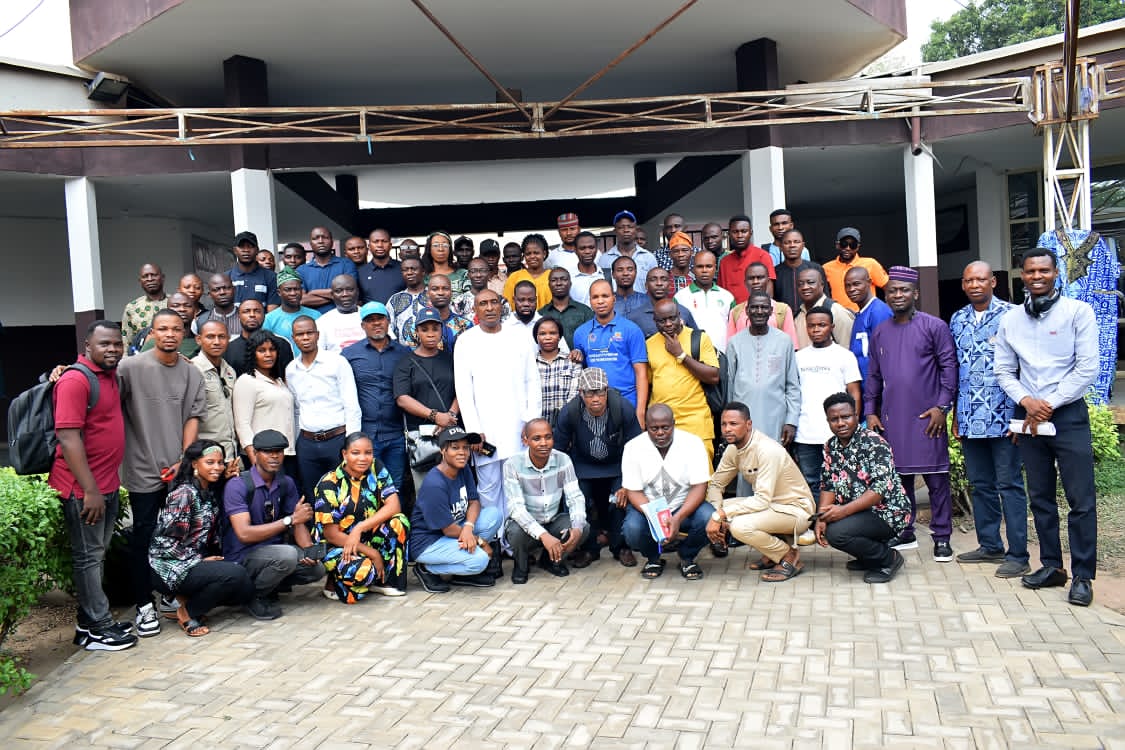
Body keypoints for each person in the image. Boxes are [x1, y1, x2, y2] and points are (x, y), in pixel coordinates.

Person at [995, 248, 1099, 606]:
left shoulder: (1078, 313)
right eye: (1030, 271)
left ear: (1056, 273)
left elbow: (1087, 368)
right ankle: (1052, 566)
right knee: (1040, 497)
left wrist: (1048, 404)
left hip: (1067, 415)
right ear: (1021, 275)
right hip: (1029, 417)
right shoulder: (1011, 320)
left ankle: (1083, 576)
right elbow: (1004, 370)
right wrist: (1027, 401)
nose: (1036, 276)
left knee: (1080, 500)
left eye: (1043, 270)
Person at [118, 309, 206, 638]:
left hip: (178, 470)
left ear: (184, 333)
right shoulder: (129, 368)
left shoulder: (191, 373)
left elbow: (193, 417)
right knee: (143, 536)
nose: (170, 334)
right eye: (163, 329)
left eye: (176, 329)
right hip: (142, 467)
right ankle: (144, 605)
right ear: (152, 333)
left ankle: (170, 594)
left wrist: (184, 460)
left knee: (176, 537)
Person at [50, 321, 136, 652]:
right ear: (88, 346)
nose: (112, 349)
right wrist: (90, 490)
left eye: (117, 343)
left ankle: (87, 624)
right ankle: (99, 627)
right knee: (88, 557)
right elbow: (68, 437)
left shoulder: (110, 375)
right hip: (83, 489)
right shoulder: (75, 380)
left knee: (96, 555)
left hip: (106, 484)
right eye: (104, 344)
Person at [864, 266, 957, 562]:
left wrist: (942, 407)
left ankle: (942, 538)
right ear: (886, 296)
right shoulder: (880, 331)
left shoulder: (935, 327)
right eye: (892, 291)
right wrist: (870, 411)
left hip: (928, 418)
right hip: (893, 418)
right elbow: (874, 376)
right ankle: (905, 531)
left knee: (937, 480)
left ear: (915, 293)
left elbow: (949, 368)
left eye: (904, 290)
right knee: (900, 478)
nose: (898, 295)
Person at [950, 261, 1029, 578]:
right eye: (969, 280)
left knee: (1009, 485)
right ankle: (990, 545)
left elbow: (1025, 367)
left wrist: (1021, 417)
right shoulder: (958, 319)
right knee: (981, 485)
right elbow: (957, 370)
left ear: (993, 282)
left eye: (981, 279)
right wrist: (956, 415)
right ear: (963, 284)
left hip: (1004, 417)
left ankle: (1018, 554)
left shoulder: (1013, 315)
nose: (975, 285)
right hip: (970, 417)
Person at [148, 440, 254, 637]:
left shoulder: (207, 488)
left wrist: (226, 480)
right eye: (210, 462)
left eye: (220, 463)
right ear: (195, 464)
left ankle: (187, 599)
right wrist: (199, 561)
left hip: (192, 561)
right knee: (235, 575)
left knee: (243, 587)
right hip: (169, 566)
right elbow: (164, 543)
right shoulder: (184, 494)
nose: (217, 467)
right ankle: (187, 612)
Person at [455, 289, 541, 522]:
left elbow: (532, 381)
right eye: (483, 303)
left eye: (494, 302)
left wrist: (532, 422)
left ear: (502, 306)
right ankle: (494, 537)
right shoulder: (465, 341)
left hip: (518, 427)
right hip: (485, 430)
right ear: (475, 309)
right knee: (489, 487)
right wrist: (473, 430)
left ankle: (516, 536)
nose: (490, 307)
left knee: (518, 485)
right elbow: (463, 390)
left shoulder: (519, 337)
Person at [222, 430, 325, 619]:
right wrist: (289, 520)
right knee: (287, 555)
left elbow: (298, 522)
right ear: (255, 453)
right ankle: (252, 596)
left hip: (274, 553)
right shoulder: (238, 485)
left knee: (316, 569)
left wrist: (310, 551)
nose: (275, 456)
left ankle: (270, 587)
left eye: (279, 451)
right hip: (242, 557)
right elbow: (244, 534)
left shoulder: (286, 483)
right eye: (268, 452)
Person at [706, 403, 815, 581]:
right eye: (724, 424)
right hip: (770, 506)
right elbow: (716, 485)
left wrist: (721, 515)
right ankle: (773, 554)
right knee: (709, 512)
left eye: (733, 424)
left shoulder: (767, 450)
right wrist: (718, 513)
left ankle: (788, 555)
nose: (727, 429)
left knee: (739, 526)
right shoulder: (733, 449)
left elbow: (761, 500)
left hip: (796, 510)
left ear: (748, 424)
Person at [814, 392, 912, 584]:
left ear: (856, 415)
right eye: (834, 419)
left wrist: (842, 512)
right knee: (826, 524)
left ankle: (888, 558)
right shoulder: (830, 446)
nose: (840, 423)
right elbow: (828, 484)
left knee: (837, 533)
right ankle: (869, 557)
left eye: (846, 417)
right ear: (828, 421)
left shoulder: (874, 443)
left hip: (888, 512)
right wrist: (821, 518)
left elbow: (878, 491)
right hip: (859, 511)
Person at [553, 368, 642, 568]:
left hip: (617, 465)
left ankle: (621, 547)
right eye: (589, 393)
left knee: (619, 501)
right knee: (579, 501)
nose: (595, 398)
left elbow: (637, 447)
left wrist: (628, 483)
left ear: (607, 390)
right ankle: (588, 549)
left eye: (600, 392)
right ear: (580, 393)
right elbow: (558, 450)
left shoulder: (622, 408)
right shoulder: (570, 412)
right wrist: (564, 481)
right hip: (582, 466)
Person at [313, 433, 411, 603]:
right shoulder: (329, 483)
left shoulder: (376, 467)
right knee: (362, 572)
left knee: (399, 521)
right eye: (355, 453)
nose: (363, 458)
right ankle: (335, 582)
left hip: (365, 537)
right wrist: (373, 553)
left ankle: (382, 580)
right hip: (338, 545)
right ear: (344, 454)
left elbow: (394, 505)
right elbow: (331, 535)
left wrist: (359, 528)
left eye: (368, 452)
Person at [621, 404, 714, 581]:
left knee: (709, 517)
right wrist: (658, 518)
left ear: (674, 424)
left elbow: (700, 487)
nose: (660, 433)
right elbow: (633, 491)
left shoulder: (693, 443)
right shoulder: (633, 447)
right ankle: (653, 558)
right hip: (649, 509)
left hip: (684, 507)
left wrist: (677, 518)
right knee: (632, 529)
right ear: (646, 426)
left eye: (665, 427)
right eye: (654, 428)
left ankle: (687, 556)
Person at [410, 428, 502, 592]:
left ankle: (460, 571)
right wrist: (480, 542)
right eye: (455, 447)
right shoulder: (434, 484)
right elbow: (448, 530)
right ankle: (426, 568)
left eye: (465, 447)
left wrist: (468, 527)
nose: (462, 453)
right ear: (443, 451)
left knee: (494, 515)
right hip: (429, 542)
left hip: (455, 528)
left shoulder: (462, 468)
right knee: (479, 560)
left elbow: (474, 502)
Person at [286, 315, 362, 503]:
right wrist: (296, 443)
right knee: (314, 496)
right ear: (293, 338)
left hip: (337, 440)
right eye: (300, 334)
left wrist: (351, 444)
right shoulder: (291, 370)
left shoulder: (337, 362)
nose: (305, 337)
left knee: (345, 496)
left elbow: (351, 405)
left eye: (309, 333)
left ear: (318, 335)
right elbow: (296, 410)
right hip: (307, 444)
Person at [503, 419, 589, 584]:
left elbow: (575, 497)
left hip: (553, 521)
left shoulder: (563, 459)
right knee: (514, 532)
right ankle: (521, 564)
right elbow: (516, 508)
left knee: (583, 527)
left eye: (548, 437)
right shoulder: (512, 465)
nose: (544, 443)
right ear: (525, 441)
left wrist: (577, 528)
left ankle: (551, 561)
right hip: (526, 526)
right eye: (537, 438)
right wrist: (543, 536)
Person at [793, 307, 862, 495]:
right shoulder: (798, 357)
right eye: (811, 326)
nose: (816, 329)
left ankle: (842, 515)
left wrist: (852, 425)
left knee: (842, 481)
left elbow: (854, 392)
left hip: (838, 432)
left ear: (832, 327)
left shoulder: (844, 356)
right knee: (812, 483)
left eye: (821, 325)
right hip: (805, 434)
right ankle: (819, 515)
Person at [342, 301, 409, 492]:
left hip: (396, 433)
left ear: (388, 321)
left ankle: (395, 514)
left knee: (394, 486)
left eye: (380, 318)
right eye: (370, 320)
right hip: (365, 434)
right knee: (367, 487)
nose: (376, 323)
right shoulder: (349, 354)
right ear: (363, 325)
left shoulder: (404, 353)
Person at [393, 309, 461, 491]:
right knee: (427, 489)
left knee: (455, 487)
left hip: (451, 432)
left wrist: (450, 415)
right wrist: (435, 416)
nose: (430, 334)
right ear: (417, 332)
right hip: (422, 437)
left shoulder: (451, 359)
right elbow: (402, 398)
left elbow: (462, 389)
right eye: (424, 329)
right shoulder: (405, 362)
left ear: (442, 330)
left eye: (435, 329)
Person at [645, 299, 720, 461]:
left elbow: (713, 376)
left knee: (700, 473)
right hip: (662, 425)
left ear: (679, 316)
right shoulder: (649, 344)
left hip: (696, 420)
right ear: (654, 320)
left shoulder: (698, 338)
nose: (668, 324)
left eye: (672, 318)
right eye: (662, 320)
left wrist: (681, 355)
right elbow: (648, 384)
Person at [726, 290, 800, 447]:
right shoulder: (734, 342)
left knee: (772, 458)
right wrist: (729, 421)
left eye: (764, 307)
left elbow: (792, 385)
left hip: (775, 418)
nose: (759, 311)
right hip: (742, 418)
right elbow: (729, 385)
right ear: (747, 310)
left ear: (771, 311)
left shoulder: (784, 341)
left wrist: (791, 421)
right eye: (754, 307)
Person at [573, 280, 649, 427]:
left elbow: (641, 373)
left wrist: (640, 413)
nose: (600, 301)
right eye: (595, 297)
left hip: (627, 403)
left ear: (614, 298)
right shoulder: (580, 333)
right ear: (590, 301)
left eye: (605, 296)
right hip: (595, 406)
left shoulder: (631, 330)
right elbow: (581, 372)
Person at [233, 331, 298, 479]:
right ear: (252, 354)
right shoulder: (247, 381)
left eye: (272, 349)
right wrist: (255, 462)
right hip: (263, 458)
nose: (268, 354)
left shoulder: (279, 381)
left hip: (286, 453)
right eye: (261, 350)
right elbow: (242, 425)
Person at [191, 320, 239, 460]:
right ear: (199, 339)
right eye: (210, 337)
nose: (217, 342)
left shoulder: (229, 371)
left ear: (228, 339)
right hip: (205, 454)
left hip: (230, 452)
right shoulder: (192, 369)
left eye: (222, 337)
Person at [674, 250, 735, 351]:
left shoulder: (727, 297)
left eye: (709, 266)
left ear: (715, 268)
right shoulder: (680, 297)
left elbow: (734, 328)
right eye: (700, 267)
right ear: (693, 269)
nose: (704, 270)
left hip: (722, 353)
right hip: (692, 354)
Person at [727, 262, 798, 348]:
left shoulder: (783, 310)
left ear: (768, 281)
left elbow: (791, 346)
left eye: (760, 278)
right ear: (745, 283)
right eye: (751, 278)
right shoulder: (735, 312)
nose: (755, 282)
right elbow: (730, 346)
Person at [845, 266, 893, 391]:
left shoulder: (878, 311)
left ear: (869, 282)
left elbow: (885, 355)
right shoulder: (861, 313)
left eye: (856, 284)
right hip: (864, 387)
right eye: (847, 286)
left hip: (877, 390)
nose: (851, 289)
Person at [223, 299, 294, 377]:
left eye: (257, 311)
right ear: (238, 316)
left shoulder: (281, 343)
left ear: (264, 315)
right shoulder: (228, 347)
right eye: (246, 311)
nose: (252, 315)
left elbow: (289, 377)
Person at [400, 274, 472, 351]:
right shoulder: (418, 326)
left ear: (451, 292)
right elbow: (411, 355)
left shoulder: (464, 324)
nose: (440, 293)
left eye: (445, 289)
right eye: (435, 289)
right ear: (427, 293)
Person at [823, 228, 889, 312]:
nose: (848, 248)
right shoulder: (826, 268)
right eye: (844, 244)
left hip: (867, 314)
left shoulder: (871, 264)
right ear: (837, 245)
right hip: (840, 316)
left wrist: (887, 309)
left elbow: (888, 287)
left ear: (857, 247)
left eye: (852, 245)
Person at [533, 316, 582, 427]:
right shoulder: (530, 364)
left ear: (559, 336)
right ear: (537, 337)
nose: (548, 337)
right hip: (537, 427)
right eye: (542, 334)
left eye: (553, 333)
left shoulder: (572, 362)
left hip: (566, 425)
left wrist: (563, 422)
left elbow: (574, 397)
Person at [625, 267, 698, 339]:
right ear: (646, 286)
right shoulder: (635, 316)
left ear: (670, 285)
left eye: (664, 279)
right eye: (653, 280)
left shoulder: (683, 311)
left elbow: (697, 338)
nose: (659, 283)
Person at [298, 226, 358, 312]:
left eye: (325, 237)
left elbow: (349, 294)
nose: (321, 241)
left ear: (332, 242)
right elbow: (302, 300)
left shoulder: (347, 264)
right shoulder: (301, 270)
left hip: (342, 316)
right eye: (316, 238)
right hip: (313, 319)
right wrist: (337, 295)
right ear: (311, 243)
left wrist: (312, 292)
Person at [794, 264, 854, 349]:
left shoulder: (837, 312)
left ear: (822, 285)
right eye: (800, 284)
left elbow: (847, 347)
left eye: (810, 282)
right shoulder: (798, 316)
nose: (805, 287)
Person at [718, 215, 774, 306]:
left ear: (751, 232)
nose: (739, 236)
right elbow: (721, 293)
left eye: (744, 231)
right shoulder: (724, 262)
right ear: (729, 234)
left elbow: (769, 290)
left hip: (756, 312)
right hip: (731, 313)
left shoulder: (762, 256)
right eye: (735, 232)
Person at [263, 266, 321, 353]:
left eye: (296, 289)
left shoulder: (316, 315)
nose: (293, 293)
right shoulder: (269, 319)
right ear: (279, 292)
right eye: (288, 290)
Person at [538, 267, 593, 349]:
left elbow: (592, 339)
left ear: (570, 283)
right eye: (554, 280)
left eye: (563, 279)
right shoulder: (541, 314)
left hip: (580, 357)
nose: (559, 283)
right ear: (549, 285)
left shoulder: (585, 311)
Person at [598, 210, 658, 282]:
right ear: (615, 231)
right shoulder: (604, 259)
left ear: (635, 230)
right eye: (621, 227)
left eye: (630, 227)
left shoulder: (649, 258)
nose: (626, 230)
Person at [137, 292, 201, 357]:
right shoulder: (154, 342)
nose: (182, 309)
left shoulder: (201, 341)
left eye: (187, 306)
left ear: (195, 311)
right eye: (176, 306)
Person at [229, 231, 280, 309]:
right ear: (235, 250)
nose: (246, 250)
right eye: (241, 246)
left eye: (250, 246)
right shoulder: (227, 277)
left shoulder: (271, 277)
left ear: (257, 250)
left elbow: (272, 312)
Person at [315, 274, 364, 352]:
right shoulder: (322, 322)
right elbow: (319, 354)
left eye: (350, 290)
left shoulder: (371, 317)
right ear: (332, 295)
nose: (345, 294)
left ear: (357, 292)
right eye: (338, 291)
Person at [503, 233, 553, 308]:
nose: (532, 256)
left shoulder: (552, 277)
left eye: (536, 253)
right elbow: (507, 306)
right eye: (528, 254)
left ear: (544, 254)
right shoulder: (514, 277)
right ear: (524, 256)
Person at [122, 263, 167, 345]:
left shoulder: (175, 303)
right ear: (140, 281)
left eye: (154, 275)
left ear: (162, 277)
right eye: (145, 276)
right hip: (142, 352)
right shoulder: (132, 307)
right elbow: (126, 340)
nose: (150, 279)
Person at [357, 228, 405, 304]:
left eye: (384, 241)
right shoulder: (360, 272)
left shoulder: (403, 268)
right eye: (376, 242)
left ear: (390, 245)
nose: (380, 245)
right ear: (369, 246)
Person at [773, 229, 817, 313]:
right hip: (783, 318)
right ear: (781, 247)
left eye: (796, 242)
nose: (792, 245)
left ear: (803, 246)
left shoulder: (815, 269)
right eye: (787, 242)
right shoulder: (775, 272)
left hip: (810, 317)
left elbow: (824, 297)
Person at [454, 257, 510, 321]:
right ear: (468, 275)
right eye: (473, 271)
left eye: (482, 271)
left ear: (489, 274)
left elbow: (507, 324)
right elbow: (456, 325)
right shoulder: (458, 302)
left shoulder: (501, 301)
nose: (478, 275)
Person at [388, 258, 428, 341]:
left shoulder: (434, 296)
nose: (409, 272)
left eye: (414, 269)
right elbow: (388, 328)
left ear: (423, 272)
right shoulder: (395, 299)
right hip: (402, 348)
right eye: (405, 270)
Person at [422, 231, 470, 295]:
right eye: (436, 245)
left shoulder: (463, 275)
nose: (441, 249)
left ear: (450, 249)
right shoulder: (422, 277)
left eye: (445, 245)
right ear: (429, 249)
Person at [568, 231, 604, 306]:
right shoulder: (568, 278)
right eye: (582, 248)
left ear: (597, 249)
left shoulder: (607, 275)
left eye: (591, 247)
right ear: (575, 250)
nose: (587, 251)